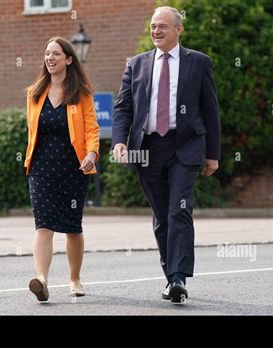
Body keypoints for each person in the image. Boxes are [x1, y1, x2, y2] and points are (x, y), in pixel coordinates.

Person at [112, 6, 221, 304]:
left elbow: (210, 111)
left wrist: (213, 153)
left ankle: (179, 279)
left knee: (179, 210)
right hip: (147, 150)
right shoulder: (136, 64)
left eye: (162, 26)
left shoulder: (198, 63)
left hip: (185, 148)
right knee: (162, 216)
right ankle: (170, 275)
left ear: (178, 30)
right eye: (152, 26)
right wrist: (119, 142)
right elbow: (123, 108)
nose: (156, 31)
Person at [24, 37, 100, 303]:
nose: (50, 58)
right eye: (47, 54)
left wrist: (92, 153)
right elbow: (33, 133)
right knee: (43, 224)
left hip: (73, 168)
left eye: (55, 54)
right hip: (41, 168)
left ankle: (74, 278)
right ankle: (42, 281)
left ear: (69, 59)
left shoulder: (81, 94)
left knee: (72, 227)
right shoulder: (34, 93)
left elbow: (92, 128)